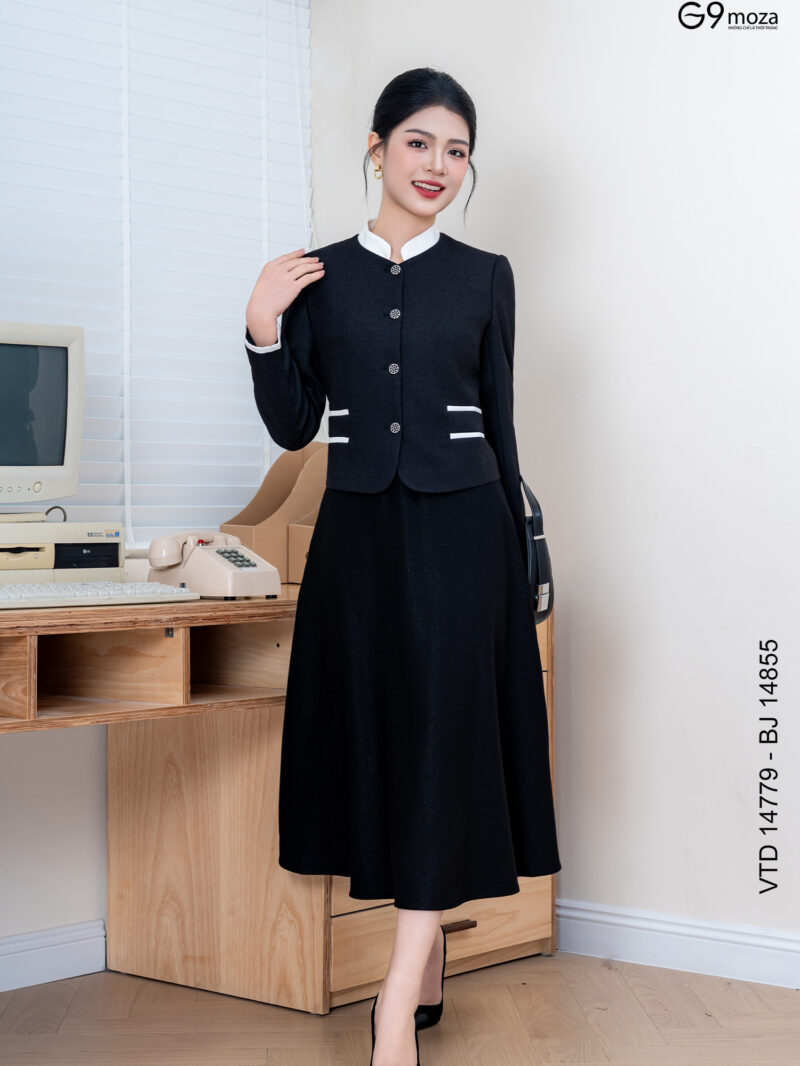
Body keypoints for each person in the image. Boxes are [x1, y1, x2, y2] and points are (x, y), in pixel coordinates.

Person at [244, 66, 561, 1066]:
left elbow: (501, 423)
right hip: (357, 543)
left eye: (456, 151)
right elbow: (294, 424)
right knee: (382, 740)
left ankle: (392, 1002)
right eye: (419, 142)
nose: (437, 165)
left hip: (465, 538)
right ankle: (424, 968)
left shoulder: (484, 276)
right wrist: (262, 328)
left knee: (441, 745)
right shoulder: (316, 275)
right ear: (377, 148)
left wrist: (518, 552)